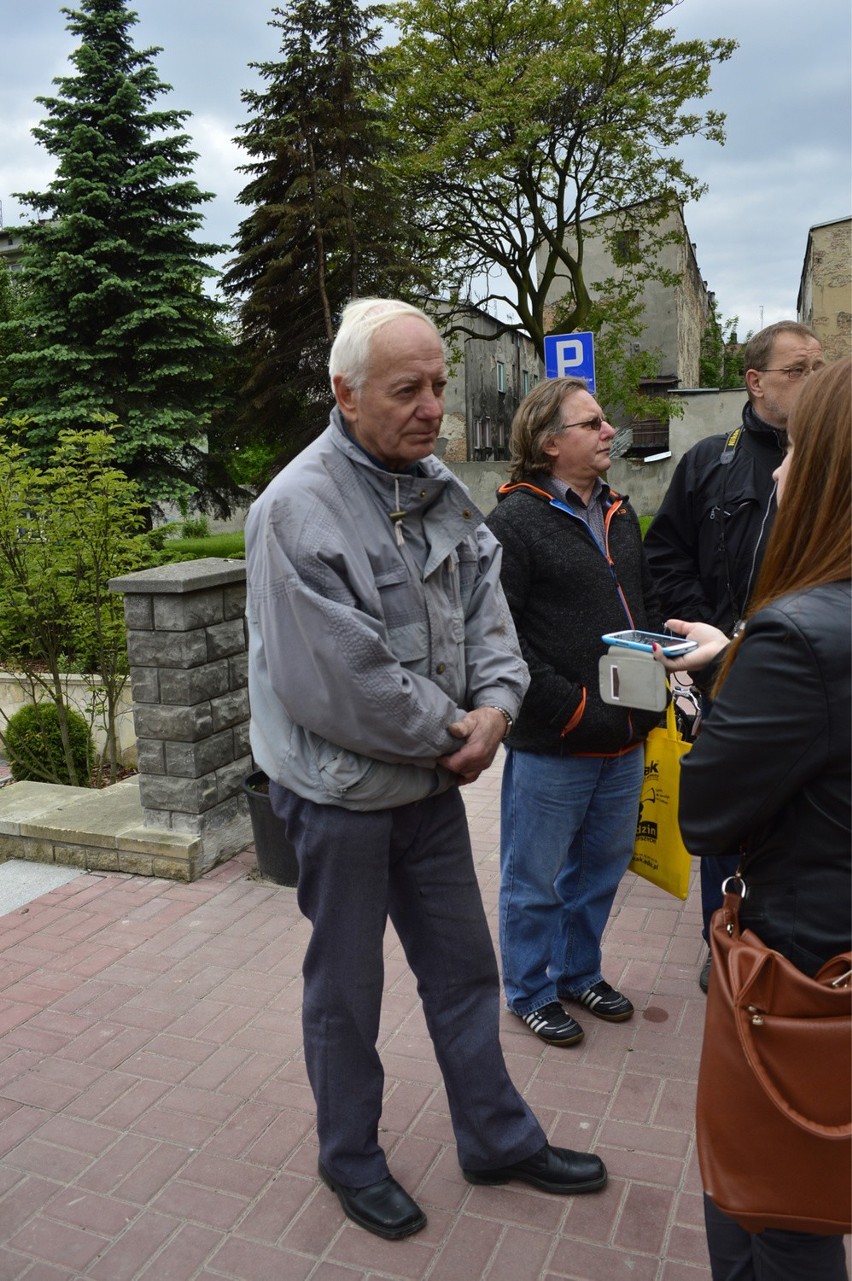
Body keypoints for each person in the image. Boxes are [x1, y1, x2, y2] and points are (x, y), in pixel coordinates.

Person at [244, 300, 607, 1243]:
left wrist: (497, 707)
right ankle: (350, 1157)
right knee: (347, 990)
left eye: (439, 384)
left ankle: (494, 1136)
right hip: (343, 800)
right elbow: (343, 681)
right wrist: (464, 731)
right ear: (345, 393)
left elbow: (491, 613)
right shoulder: (295, 508)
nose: (432, 406)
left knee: (464, 972)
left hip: (430, 783)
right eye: (408, 390)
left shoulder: (436, 483)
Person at [661, 357, 851, 1281]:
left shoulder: (798, 633)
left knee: (776, 1209)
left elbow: (707, 810)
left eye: (799, 454)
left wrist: (720, 686)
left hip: (803, 973)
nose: (776, 471)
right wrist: (737, 646)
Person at [644, 321, 825, 991]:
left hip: (811, 680)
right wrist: (710, 636)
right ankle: (722, 940)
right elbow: (664, 553)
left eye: (821, 366)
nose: (815, 379)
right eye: (798, 369)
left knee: (802, 814)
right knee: (726, 815)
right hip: (728, 675)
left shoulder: (833, 461)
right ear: (755, 382)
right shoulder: (709, 462)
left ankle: (789, 953)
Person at [485, 377, 663, 1048]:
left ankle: (577, 971)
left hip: (625, 737)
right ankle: (529, 989)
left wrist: (658, 677)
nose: (610, 430)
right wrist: (572, 708)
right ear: (549, 441)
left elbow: (638, 608)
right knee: (533, 882)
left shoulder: (621, 510)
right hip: (554, 742)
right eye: (592, 423)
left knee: (599, 871)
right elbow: (500, 637)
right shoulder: (513, 522)